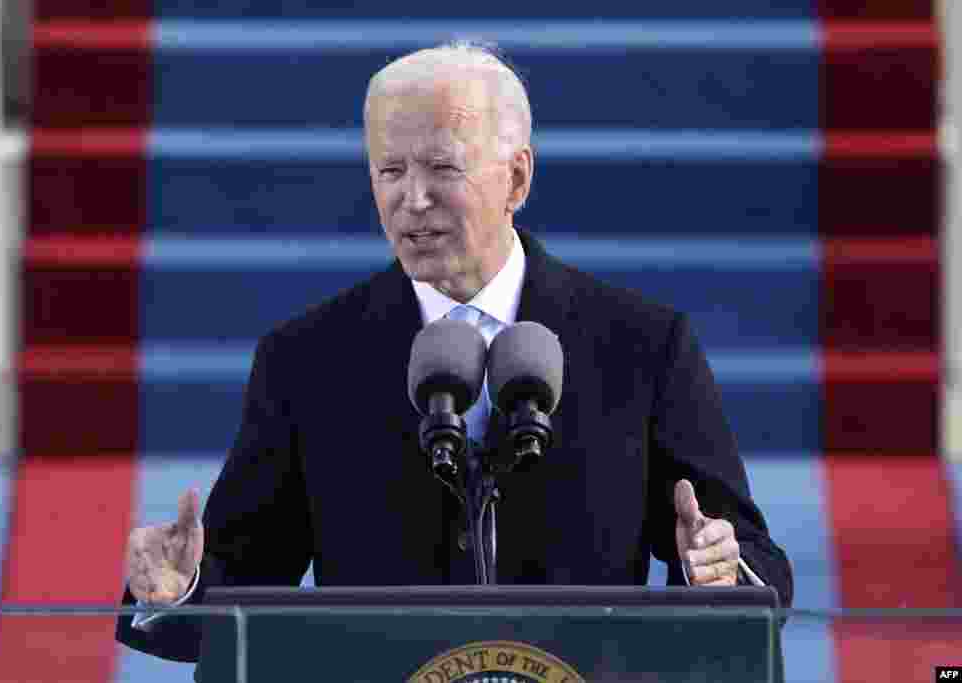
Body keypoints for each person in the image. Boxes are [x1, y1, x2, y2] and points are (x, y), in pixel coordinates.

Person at [116, 42, 793, 663]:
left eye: (442, 167)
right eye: (389, 169)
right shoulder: (306, 360)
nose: (412, 199)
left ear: (517, 179)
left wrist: (719, 568)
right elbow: (242, 588)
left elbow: (755, 563)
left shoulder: (642, 346)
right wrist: (179, 586)